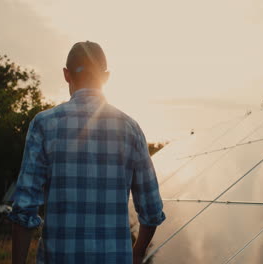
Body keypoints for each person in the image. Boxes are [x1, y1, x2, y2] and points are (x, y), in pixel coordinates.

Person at [8, 41, 165, 264]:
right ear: (107, 77)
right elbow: (151, 210)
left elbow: (24, 209)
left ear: (66, 74)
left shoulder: (43, 125)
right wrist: (137, 251)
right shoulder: (131, 129)